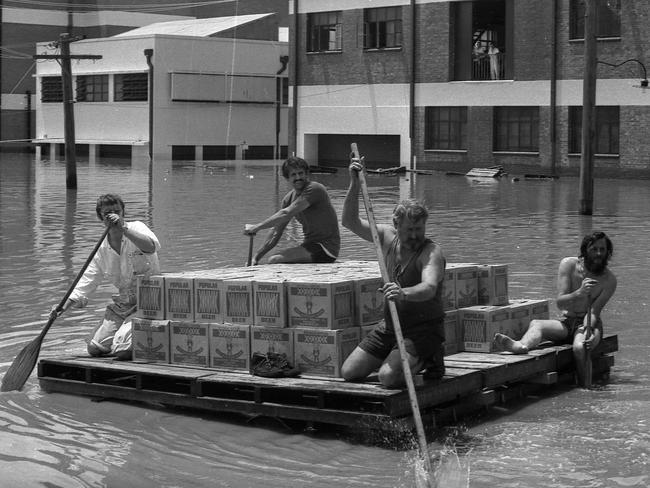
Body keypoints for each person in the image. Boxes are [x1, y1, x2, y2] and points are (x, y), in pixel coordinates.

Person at [340, 159, 447, 389]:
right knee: (349, 372)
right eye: (409, 229)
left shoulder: (430, 252)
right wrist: (355, 183)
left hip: (424, 329)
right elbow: (348, 221)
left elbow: (429, 288)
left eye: (419, 229)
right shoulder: (387, 239)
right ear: (396, 225)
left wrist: (403, 293)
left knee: (387, 378)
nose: (415, 235)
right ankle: (398, 357)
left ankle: (430, 358)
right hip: (391, 324)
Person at [494, 231, 617, 387]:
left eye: (602, 249)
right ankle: (521, 346)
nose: (599, 253)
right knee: (537, 324)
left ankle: (586, 388)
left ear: (608, 252)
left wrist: (589, 331)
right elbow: (560, 303)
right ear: (585, 250)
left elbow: (594, 312)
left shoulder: (609, 280)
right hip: (567, 322)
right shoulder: (568, 265)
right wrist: (580, 293)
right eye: (594, 249)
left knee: (580, 348)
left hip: (589, 323)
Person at [54, 194, 161, 360]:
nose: (113, 216)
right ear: (100, 217)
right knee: (95, 349)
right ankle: (124, 332)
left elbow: (151, 247)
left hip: (151, 302)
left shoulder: (137, 227)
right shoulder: (101, 249)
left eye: (116, 211)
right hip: (125, 304)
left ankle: (134, 335)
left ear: (123, 212)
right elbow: (86, 283)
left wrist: (124, 227)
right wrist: (62, 307)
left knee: (122, 350)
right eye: (107, 214)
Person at [243, 156, 340, 264]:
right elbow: (276, 232)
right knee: (274, 259)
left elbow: (286, 213)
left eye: (301, 173)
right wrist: (256, 258)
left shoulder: (315, 189)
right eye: (293, 175)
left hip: (326, 248)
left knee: (275, 260)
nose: (298, 177)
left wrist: (257, 227)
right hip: (309, 245)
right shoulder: (288, 199)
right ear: (287, 178)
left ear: (306, 174)